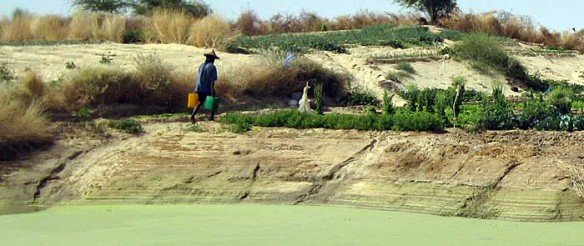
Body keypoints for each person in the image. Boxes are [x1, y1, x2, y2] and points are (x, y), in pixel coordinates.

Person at [191, 49, 219, 123]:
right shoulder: (212, 67)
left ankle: (193, 115)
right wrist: (212, 90)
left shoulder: (201, 65)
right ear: (212, 59)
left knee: (200, 102)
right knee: (213, 100)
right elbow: (212, 81)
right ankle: (212, 117)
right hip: (206, 88)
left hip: (198, 87)